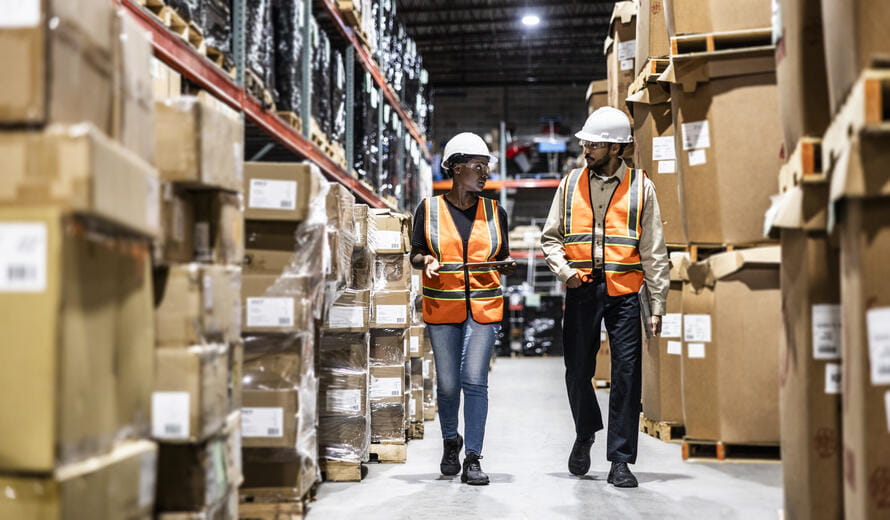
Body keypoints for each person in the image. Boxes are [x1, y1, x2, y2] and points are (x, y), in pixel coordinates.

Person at [541, 107, 670, 487]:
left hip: (625, 293)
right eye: (585, 142)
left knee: (627, 375)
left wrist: (657, 305)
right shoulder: (569, 185)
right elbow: (550, 239)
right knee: (577, 371)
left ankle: (620, 460)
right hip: (581, 289)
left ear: (616, 147)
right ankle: (585, 432)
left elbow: (654, 250)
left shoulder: (641, 186)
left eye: (594, 143)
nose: (586, 148)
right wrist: (565, 272)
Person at [411, 132, 515, 486]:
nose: (484, 173)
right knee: (448, 385)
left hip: (484, 307)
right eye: (477, 166)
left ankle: (473, 457)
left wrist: (505, 263)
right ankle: (450, 441)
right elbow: (415, 252)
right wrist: (425, 260)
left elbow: (501, 253)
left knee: (475, 380)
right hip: (443, 307)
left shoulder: (495, 212)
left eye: (486, 167)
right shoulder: (428, 209)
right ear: (456, 169)